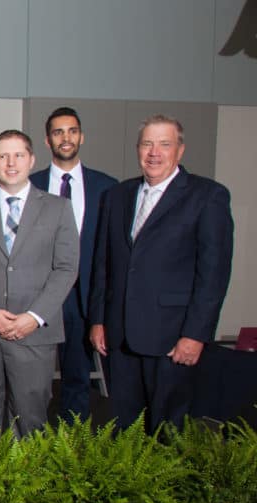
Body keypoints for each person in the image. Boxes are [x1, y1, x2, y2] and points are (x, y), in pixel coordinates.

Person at [89, 114, 234, 433]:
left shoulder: (207, 196)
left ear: (179, 150)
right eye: (147, 144)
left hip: (172, 337)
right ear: (138, 149)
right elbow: (104, 263)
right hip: (120, 335)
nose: (154, 152)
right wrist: (98, 320)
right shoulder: (117, 196)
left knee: (169, 429)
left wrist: (195, 334)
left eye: (164, 144)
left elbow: (213, 276)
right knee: (124, 428)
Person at [0, 130, 78, 437]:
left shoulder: (58, 208)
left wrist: (34, 317)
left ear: (32, 159)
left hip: (34, 334)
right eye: (3, 156)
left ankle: (26, 485)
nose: (11, 163)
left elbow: (66, 269)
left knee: (31, 420)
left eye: (19, 155)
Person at [29, 107, 117, 423]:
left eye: (71, 131)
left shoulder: (107, 187)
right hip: (38, 295)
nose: (66, 138)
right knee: (32, 380)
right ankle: (31, 444)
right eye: (58, 132)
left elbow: (111, 248)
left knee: (77, 377)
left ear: (81, 135)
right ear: (47, 140)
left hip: (83, 296)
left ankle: (71, 445)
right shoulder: (30, 185)